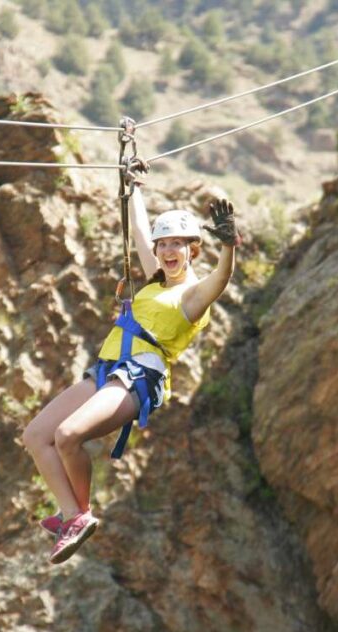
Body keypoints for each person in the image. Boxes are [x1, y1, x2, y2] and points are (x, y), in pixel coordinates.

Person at [21, 182, 240, 564]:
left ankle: (78, 516)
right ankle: (70, 512)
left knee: (68, 435)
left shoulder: (192, 295)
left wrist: (228, 246)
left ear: (192, 250)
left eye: (177, 244)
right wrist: (132, 183)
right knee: (36, 436)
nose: (168, 251)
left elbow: (221, 280)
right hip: (108, 369)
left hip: (140, 376)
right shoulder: (155, 280)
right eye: (163, 244)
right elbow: (138, 227)